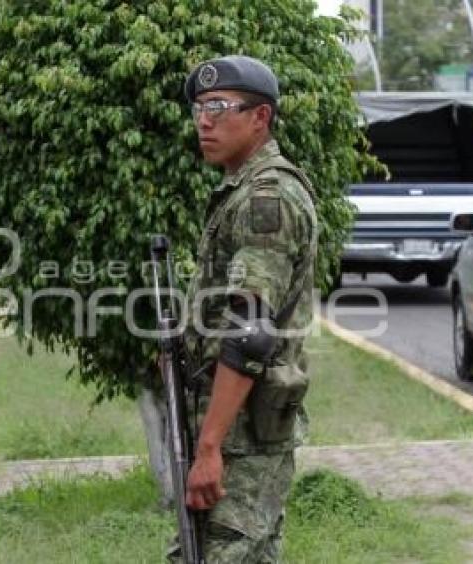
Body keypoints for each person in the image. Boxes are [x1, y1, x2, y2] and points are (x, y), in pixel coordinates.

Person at [181, 55, 317, 562]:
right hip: (237, 426)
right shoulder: (241, 191)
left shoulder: (267, 199)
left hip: (242, 438)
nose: (204, 120)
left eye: (218, 106)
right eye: (199, 108)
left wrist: (210, 447)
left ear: (260, 118)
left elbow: (250, 332)